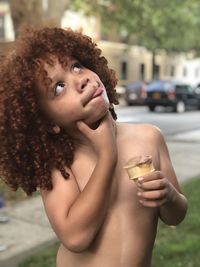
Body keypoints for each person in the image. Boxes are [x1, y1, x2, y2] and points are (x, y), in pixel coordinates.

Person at [0, 27, 187, 267]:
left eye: (76, 65)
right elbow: (76, 238)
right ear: (48, 122)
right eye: (58, 87)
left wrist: (168, 196)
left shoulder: (149, 137)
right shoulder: (60, 164)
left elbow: (176, 216)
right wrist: (107, 153)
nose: (80, 79)